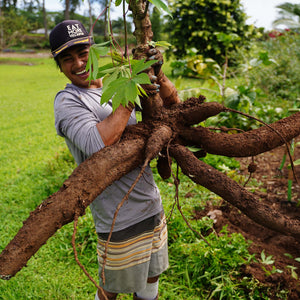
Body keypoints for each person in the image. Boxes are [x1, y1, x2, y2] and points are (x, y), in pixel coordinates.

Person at [49, 20, 180, 300]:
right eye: (67, 59)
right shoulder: (68, 101)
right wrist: (131, 89)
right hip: (117, 216)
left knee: (151, 274)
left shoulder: (117, 79)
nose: (79, 63)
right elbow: (98, 143)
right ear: (59, 66)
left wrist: (158, 74)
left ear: (95, 50)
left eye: (84, 52)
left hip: (149, 202)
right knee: (112, 288)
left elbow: (173, 110)